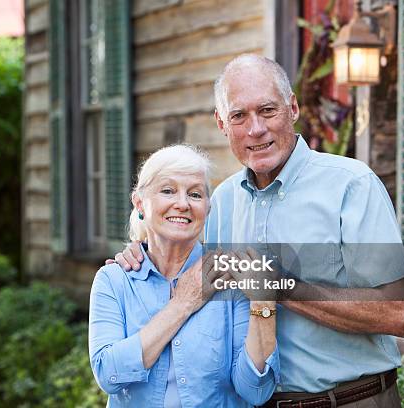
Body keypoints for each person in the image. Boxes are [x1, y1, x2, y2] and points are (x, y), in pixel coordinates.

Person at [112, 54, 404, 407]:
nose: (255, 129)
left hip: (352, 400)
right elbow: (186, 281)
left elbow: (398, 313)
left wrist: (280, 287)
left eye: (267, 110)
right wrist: (139, 252)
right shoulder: (219, 203)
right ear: (222, 124)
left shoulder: (352, 185)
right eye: (239, 116)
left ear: (293, 108)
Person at [89, 144, 280, 407]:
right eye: (168, 191)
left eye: (195, 194)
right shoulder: (114, 280)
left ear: (208, 209)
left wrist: (263, 303)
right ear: (140, 203)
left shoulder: (230, 278)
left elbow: (255, 391)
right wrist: (183, 303)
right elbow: (108, 373)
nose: (182, 204)